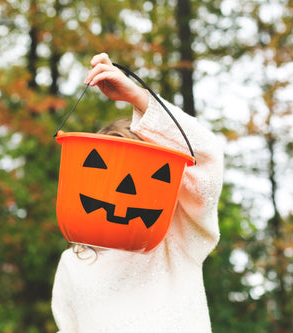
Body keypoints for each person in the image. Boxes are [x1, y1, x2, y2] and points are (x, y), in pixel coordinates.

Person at [51, 53, 224, 333]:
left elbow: (206, 160)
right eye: (107, 172)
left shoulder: (176, 238)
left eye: (144, 176)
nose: (124, 189)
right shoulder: (73, 262)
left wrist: (137, 97)